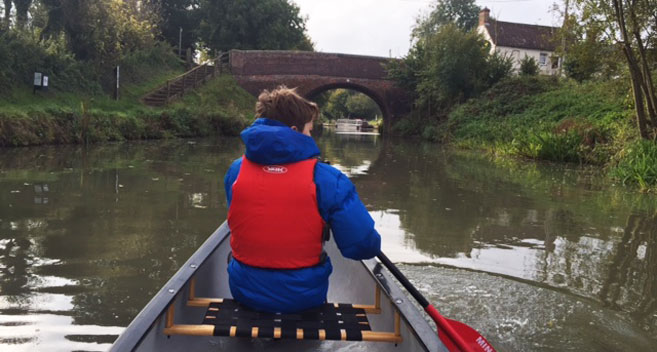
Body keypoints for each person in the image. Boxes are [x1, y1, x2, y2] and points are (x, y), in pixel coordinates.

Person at [224, 86, 381, 314]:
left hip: (244, 293)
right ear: (295, 130)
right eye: (309, 130)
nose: (311, 136)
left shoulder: (235, 171)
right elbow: (363, 247)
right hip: (304, 299)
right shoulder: (329, 179)